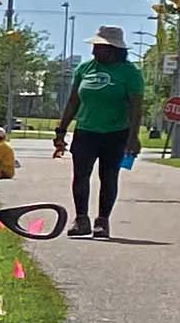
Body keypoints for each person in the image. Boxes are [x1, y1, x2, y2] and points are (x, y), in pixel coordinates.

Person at [50, 26, 148, 237]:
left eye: (98, 46)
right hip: (86, 131)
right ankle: (81, 219)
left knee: (109, 176)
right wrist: (61, 130)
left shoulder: (130, 73)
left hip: (115, 132)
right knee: (80, 176)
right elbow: (73, 101)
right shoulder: (85, 69)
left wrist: (133, 138)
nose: (94, 50)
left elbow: (135, 108)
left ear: (112, 49)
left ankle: (102, 221)